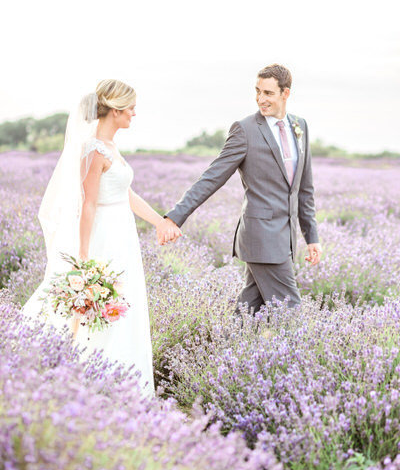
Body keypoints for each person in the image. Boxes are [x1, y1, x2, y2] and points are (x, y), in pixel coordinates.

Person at [23, 79, 181, 398]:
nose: (134, 114)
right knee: (104, 307)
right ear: (116, 110)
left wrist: (161, 221)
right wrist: (83, 257)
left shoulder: (110, 147)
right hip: (106, 238)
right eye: (131, 108)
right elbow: (88, 204)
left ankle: (125, 384)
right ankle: (96, 386)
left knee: (125, 305)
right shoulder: (94, 149)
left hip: (123, 236)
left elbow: (127, 194)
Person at [161, 64, 321, 316]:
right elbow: (212, 177)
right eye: (257, 91)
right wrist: (175, 216)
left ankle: (218, 351)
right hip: (262, 237)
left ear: (285, 93)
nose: (261, 99)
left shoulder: (300, 127)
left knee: (247, 312)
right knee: (290, 311)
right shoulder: (245, 129)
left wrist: (311, 236)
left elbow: (304, 188)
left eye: (268, 93)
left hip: (286, 238)